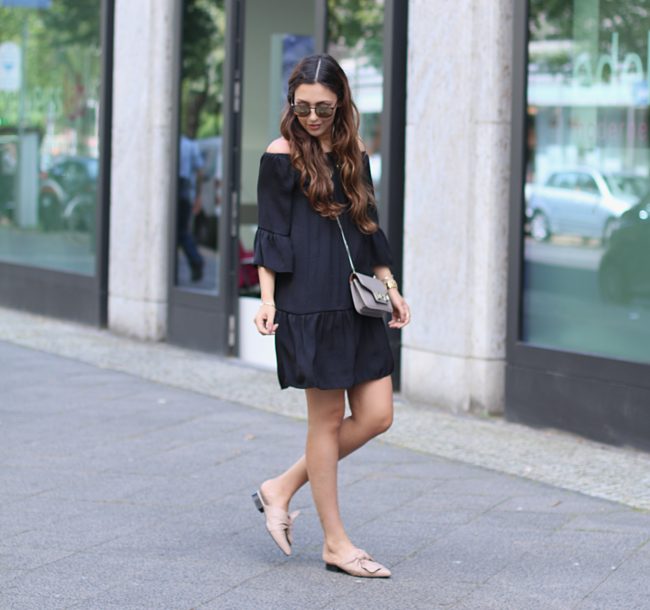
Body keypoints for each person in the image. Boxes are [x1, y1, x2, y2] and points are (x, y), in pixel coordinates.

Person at [251, 54, 410, 578]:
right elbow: (270, 237)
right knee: (323, 421)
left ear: (341, 102)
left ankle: (280, 487)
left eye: (322, 107)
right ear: (290, 103)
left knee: (377, 416)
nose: (312, 117)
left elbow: (368, 224)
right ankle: (336, 544)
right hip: (307, 302)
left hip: (357, 300)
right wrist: (268, 302)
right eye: (302, 107)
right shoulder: (281, 154)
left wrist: (391, 285)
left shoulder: (353, 150)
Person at [178, 134, 205, 282]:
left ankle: (196, 260)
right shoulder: (190, 145)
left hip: (181, 190)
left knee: (180, 232)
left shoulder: (184, 144)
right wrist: (198, 196)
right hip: (186, 192)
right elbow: (200, 170)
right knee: (181, 231)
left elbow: (200, 171)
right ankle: (196, 261)